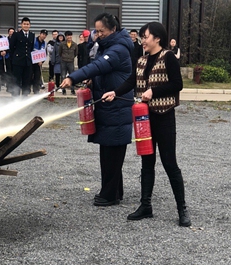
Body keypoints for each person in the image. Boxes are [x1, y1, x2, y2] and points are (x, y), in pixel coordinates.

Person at [102, 21, 191, 227]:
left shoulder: (168, 57)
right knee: (146, 163)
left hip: (164, 117)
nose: (142, 39)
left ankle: (182, 209)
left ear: (157, 38)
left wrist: (154, 91)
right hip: (145, 119)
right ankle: (145, 206)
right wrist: (115, 93)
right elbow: (131, 81)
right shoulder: (141, 59)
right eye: (142, 36)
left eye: (145, 36)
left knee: (170, 163)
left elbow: (178, 84)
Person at [60, 13, 134, 206]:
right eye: (97, 30)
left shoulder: (118, 49)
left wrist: (73, 77)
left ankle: (109, 195)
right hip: (108, 107)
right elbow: (102, 70)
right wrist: (93, 81)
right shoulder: (107, 45)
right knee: (109, 152)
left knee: (112, 154)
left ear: (113, 30)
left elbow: (100, 65)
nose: (98, 34)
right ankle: (114, 192)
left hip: (116, 107)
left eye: (102, 31)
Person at [9, 16, 35, 96]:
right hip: (18, 61)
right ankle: (15, 96)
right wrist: (14, 58)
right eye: (24, 24)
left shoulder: (32, 35)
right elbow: (11, 47)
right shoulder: (16, 35)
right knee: (17, 80)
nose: (26, 26)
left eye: (27, 24)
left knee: (26, 80)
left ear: (29, 25)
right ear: (21, 25)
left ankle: (25, 96)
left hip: (27, 62)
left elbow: (31, 48)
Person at [59, 30, 78, 95]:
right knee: (63, 75)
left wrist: (71, 57)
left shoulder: (74, 45)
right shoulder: (62, 44)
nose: (69, 37)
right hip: (63, 62)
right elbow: (60, 53)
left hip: (71, 62)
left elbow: (76, 53)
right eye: (67, 36)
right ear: (66, 36)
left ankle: (72, 90)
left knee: (72, 76)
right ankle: (63, 90)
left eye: (70, 35)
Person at [31, 29, 47, 94]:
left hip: (39, 63)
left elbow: (44, 54)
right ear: (40, 34)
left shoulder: (44, 43)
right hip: (32, 62)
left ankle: (36, 90)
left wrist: (42, 61)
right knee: (29, 76)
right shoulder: (34, 40)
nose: (44, 36)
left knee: (37, 77)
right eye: (43, 34)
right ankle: (27, 89)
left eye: (45, 35)